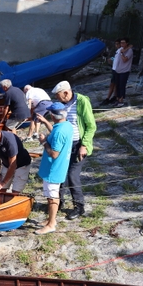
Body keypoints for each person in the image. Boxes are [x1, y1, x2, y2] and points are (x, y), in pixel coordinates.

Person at [51, 80, 97, 220]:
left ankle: (79, 206)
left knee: (72, 175)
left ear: (66, 93)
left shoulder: (82, 101)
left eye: (58, 96)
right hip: (65, 145)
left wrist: (84, 145)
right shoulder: (63, 104)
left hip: (78, 145)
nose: (57, 99)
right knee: (60, 174)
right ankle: (58, 202)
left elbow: (91, 126)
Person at [34, 102, 73, 235]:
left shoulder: (59, 131)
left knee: (52, 197)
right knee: (51, 195)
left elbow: (54, 154)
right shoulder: (66, 125)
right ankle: (51, 219)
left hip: (53, 169)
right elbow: (55, 132)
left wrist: (44, 142)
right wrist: (45, 122)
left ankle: (51, 224)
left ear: (53, 115)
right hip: (59, 167)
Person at [0, 122, 32, 193]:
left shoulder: (9, 141)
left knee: (15, 192)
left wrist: (3, 183)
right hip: (6, 164)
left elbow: (13, 165)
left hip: (21, 165)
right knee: (0, 191)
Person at [100, 39, 121, 106]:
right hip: (114, 69)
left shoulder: (122, 51)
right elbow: (116, 58)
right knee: (113, 84)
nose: (116, 45)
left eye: (118, 44)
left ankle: (111, 97)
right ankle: (110, 97)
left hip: (118, 70)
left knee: (114, 84)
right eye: (116, 44)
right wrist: (111, 59)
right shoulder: (117, 51)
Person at [114, 37, 133, 107]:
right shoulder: (120, 49)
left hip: (124, 71)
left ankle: (121, 100)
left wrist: (122, 53)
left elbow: (125, 59)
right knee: (118, 85)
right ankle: (118, 98)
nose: (122, 44)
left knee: (122, 85)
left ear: (127, 43)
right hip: (118, 70)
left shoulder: (129, 51)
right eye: (121, 42)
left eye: (123, 42)